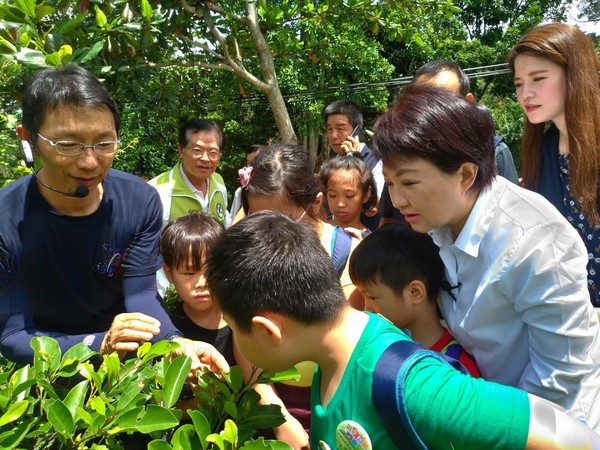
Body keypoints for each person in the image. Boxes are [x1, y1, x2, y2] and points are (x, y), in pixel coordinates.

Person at [206, 210, 600, 449]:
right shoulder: (326, 359)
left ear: (267, 330)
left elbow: (570, 435)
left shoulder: (410, 384)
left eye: (234, 330)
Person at [372, 84, 600, 431]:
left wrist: (491, 430)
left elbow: (559, 375)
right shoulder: (438, 223)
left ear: (465, 175)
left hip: (552, 427)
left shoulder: (535, 242)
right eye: (389, 183)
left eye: (409, 183)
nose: (398, 199)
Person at [1, 64, 228, 375]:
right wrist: (98, 343)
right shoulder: (6, 218)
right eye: (67, 145)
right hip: (46, 370)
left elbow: (139, 294)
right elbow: (13, 335)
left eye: (105, 144)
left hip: (125, 367)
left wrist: (174, 342)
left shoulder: (139, 202)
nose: (90, 161)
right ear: (28, 139)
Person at [239, 143, 363, 432]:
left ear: (317, 203)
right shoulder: (249, 252)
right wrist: (278, 419)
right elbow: (241, 336)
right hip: (268, 396)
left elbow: (348, 348)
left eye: (283, 221)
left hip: (334, 398)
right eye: (259, 221)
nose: (270, 235)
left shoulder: (348, 254)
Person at [160, 212, 309, 448]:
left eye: (209, 271)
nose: (201, 282)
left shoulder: (242, 316)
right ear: (168, 273)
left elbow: (259, 381)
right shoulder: (169, 328)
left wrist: (284, 422)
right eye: (189, 272)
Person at [507, 22, 600, 306]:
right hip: (577, 315)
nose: (526, 94)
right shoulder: (543, 149)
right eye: (520, 84)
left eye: (538, 78)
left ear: (575, 75)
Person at [348, 223, 481, 377]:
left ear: (415, 292)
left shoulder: (455, 369)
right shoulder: (382, 346)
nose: (367, 309)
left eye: (371, 297)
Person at [149, 119, 230, 229]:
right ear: (181, 150)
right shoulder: (157, 192)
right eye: (197, 150)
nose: (205, 158)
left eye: (213, 152)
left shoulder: (218, 182)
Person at [323, 100, 382, 230]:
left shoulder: (376, 162)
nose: (333, 135)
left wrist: (356, 159)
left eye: (340, 128)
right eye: (329, 129)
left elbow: (373, 207)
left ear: (357, 131)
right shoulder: (329, 167)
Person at [318, 154, 377, 239]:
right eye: (333, 195)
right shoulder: (318, 231)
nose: (340, 204)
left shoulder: (371, 241)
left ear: (366, 194)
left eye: (349, 196)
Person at [229, 144, 263, 220]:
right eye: (249, 163)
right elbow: (232, 222)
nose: (251, 167)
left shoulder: (275, 191)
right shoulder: (240, 192)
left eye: (255, 163)